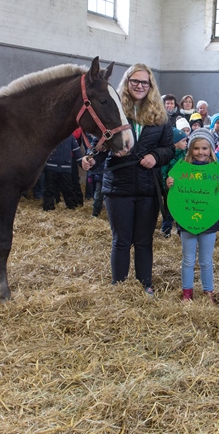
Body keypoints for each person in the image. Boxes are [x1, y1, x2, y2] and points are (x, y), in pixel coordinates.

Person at [81, 64, 174, 296]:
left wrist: (155, 156)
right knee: (121, 240)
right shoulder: (114, 108)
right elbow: (100, 145)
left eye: (145, 82)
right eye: (135, 81)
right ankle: (119, 286)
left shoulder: (160, 116)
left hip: (147, 185)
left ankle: (145, 284)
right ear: (127, 82)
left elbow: (169, 148)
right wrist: (92, 159)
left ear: (150, 85)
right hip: (118, 184)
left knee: (144, 240)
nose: (140, 86)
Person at [166, 128, 219, 303]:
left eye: (204, 148)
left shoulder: (216, 170)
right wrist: (170, 184)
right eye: (196, 148)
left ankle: (208, 292)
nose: (200, 152)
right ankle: (187, 293)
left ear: (211, 150)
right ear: (190, 149)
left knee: (206, 261)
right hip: (187, 221)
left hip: (209, 222)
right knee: (187, 259)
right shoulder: (181, 169)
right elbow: (174, 197)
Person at [160, 127, 189, 238]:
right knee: (169, 212)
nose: (186, 143)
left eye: (186, 140)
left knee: (182, 211)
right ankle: (166, 231)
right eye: (183, 141)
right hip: (170, 191)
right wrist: (165, 188)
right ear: (175, 143)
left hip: (183, 190)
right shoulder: (168, 157)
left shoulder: (185, 156)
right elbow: (163, 173)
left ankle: (181, 231)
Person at [43, 134, 83, 211]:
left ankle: (71, 207)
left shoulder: (70, 137)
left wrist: (82, 163)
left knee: (68, 188)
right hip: (52, 166)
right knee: (49, 189)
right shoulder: (52, 134)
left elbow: (76, 150)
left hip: (65, 167)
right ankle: (48, 208)